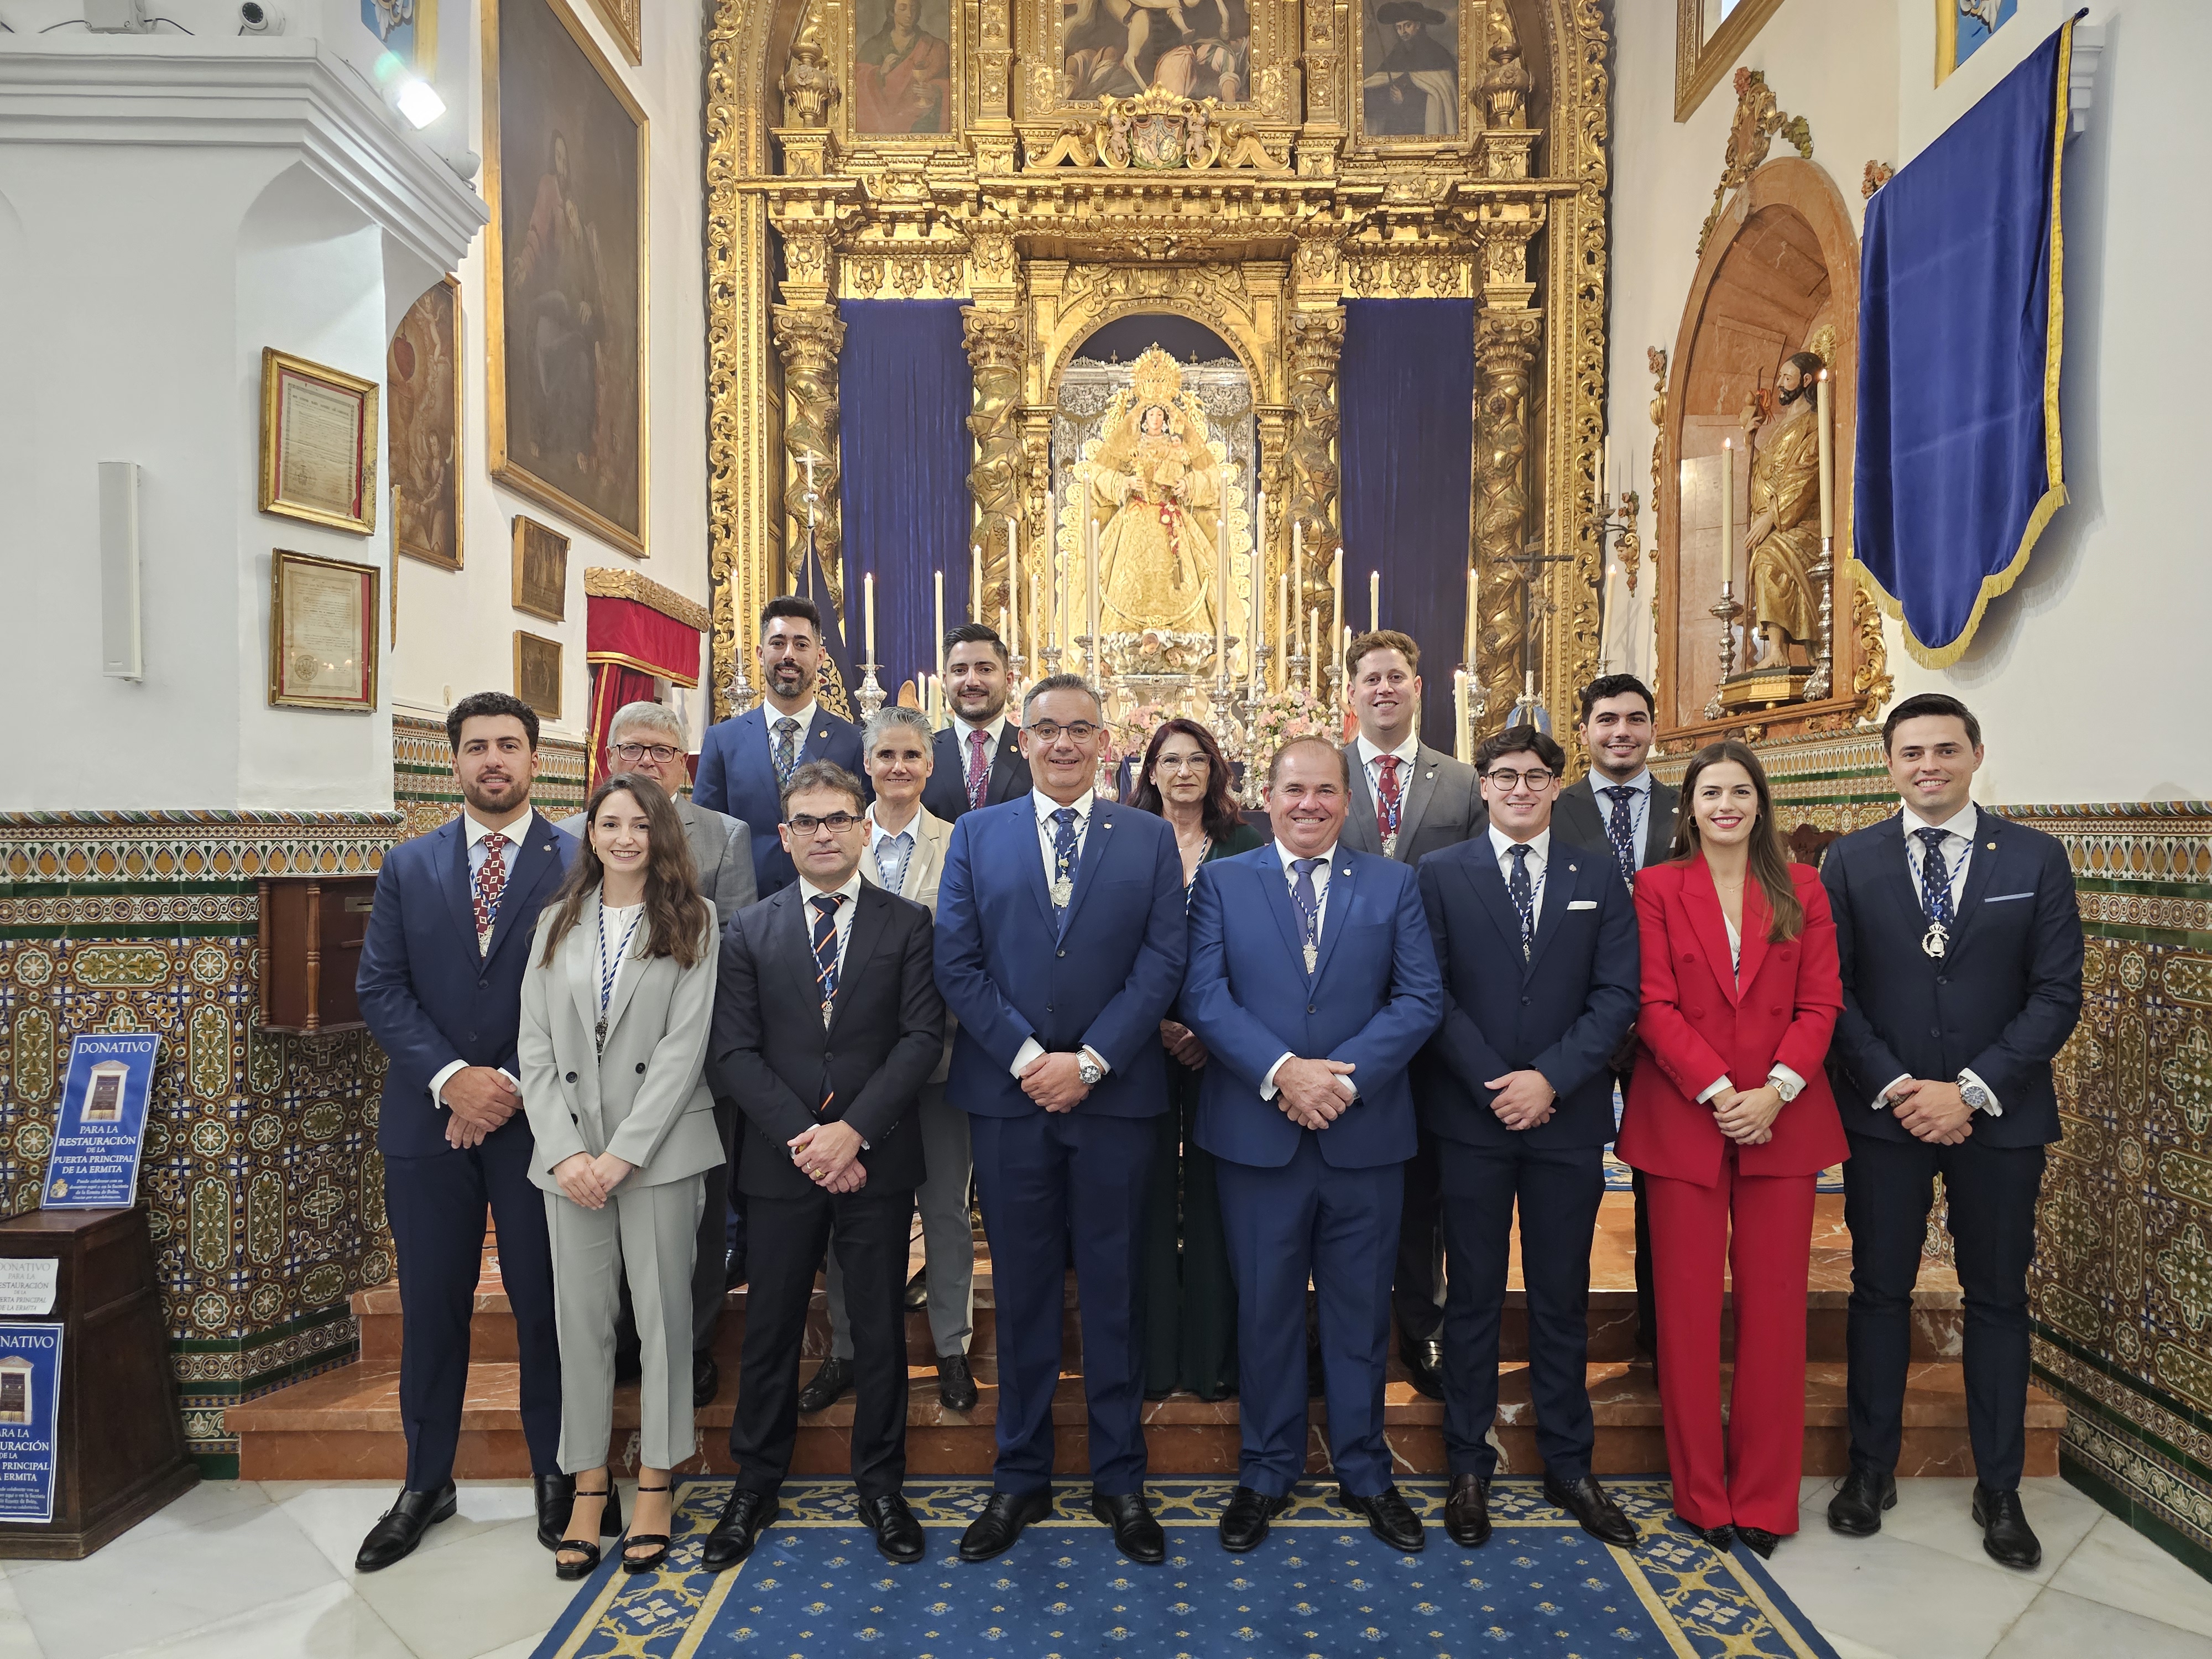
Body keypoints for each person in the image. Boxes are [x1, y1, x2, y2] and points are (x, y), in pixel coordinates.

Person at [1821, 693, 2083, 1569]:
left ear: (1976, 753)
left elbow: (2057, 995)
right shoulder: (1850, 862)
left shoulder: (2037, 858)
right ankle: (1870, 1470)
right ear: (1888, 763)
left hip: (1998, 1119)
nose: (1927, 765)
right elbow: (1836, 994)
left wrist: (1970, 1089)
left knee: (1999, 1297)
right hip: (1885, 1118)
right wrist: (1899, 1087)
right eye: (1910, 752)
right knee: (1879, 1291)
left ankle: (1999, 1488)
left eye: (1944, 749)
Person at [933, 674, 1188, 1564]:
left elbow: (1163, 962)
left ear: (1105, 741)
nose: (1066, 744)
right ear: (1023, 740)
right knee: (1028, 1292)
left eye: (1082, 730)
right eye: (1048, 730)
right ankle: (1020, 1480)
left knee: (1115, 1295)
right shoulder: (976, 834)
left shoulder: (1150, 838)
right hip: (1009, 1101)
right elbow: (957, 963)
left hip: (1115, 1099)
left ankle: (1122, 1481)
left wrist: (1087, 1061)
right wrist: (1027, 1060)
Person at [1182, 738, 1443, 1554]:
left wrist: (1341, 1081)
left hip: (1362, 1135)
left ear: (1347, 799)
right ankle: (1265, 1471)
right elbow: (1202, 993)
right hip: (1258, 1136)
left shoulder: (1395, 884)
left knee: (1361, 1316)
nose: (1309, 805)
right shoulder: (1223, 882)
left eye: (1325, 791)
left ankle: (1366, 1470)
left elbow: (1420, 997)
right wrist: (1283, 1073)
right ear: (1267, 795)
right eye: (1294, 790)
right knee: (1263, 1312)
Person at [353, 692, 576, 1571]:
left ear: (535, 762)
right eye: (478, 747)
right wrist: (454, 1080)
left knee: (543, 1306)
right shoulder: (409, 865)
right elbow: (381, 988)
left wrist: (509, 1087)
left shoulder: (576, 862)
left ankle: (557, 1475)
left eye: (510, 747)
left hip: (537, 1123)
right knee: (433, 1308)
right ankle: (425, 1481)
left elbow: (579, 992)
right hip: (427, 1122)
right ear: (453, 762)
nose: (494, 761)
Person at [704, 761, 946, 1569]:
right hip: (781, 1165)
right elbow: (733, 1051)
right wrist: (808, 1139)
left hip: (875, 1160)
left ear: (864, 825)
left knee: (877, 1329)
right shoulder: (749, 930)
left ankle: (881, 1485)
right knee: (771, 1330)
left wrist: (854, 1133)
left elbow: (919, 1042)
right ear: (784, 835)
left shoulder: (908, 925)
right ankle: (755, 1483)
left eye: (839, 818)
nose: (823, 833)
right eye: (806, 821)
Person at [1412, 724, 1640, 1549]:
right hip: (1472, 1120)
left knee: (1560, 1298)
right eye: (1503, 776)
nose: (1518, 789)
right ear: (1482, 785)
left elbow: (1617, 994)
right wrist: (1497, 1085)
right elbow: (1429, 992)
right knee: (1470, 1298)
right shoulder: (1439, 875)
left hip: (1565, 1117)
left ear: (1555, 785)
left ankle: (1569, 1465)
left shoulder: (1598, 873)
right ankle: (1468, 1466)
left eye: (1535, 777)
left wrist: (1551, 1079)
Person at [1616, 741, 1844, 1558]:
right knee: (1682, 1315)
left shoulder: (1803, 889)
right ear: (1689, 807)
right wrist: (1718, 1092)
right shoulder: (1656, 888)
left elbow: (1821, 1003)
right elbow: (1651, 1002)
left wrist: (1775, 1091)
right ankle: (1702, 1494)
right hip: (1687, 1117)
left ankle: (1765, 1497)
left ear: (1760, 804)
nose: (1725, 805)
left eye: (1739, 791)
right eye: (1710, 792)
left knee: (1776, 1313)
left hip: (1782, 1120)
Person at [519, 773, 723, 1579]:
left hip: (660, 1151)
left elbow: (683, 1051)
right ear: (591, 834)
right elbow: (533, 1047)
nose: (626, 838)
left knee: (666, 1322)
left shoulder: (695, 921)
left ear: (661, 833)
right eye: (611, 824)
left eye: (641, 824)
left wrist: (621, 1155)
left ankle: (656, 1481)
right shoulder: (553, 923)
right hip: (569, 1159)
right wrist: (569, 1153)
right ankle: (588, 1483)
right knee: (582, 1326)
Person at [558, 700, 757, 1405]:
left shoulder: (726, 837)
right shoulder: (570, 836)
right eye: (632, 748)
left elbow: (732, 955)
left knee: (694, 1223)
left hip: (690, 1066)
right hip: (590, 1077)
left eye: (661, 751)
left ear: (684, 763)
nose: (646, 761)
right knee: (599, 1217)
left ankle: (691, 1344)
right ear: (609, 755)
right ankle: (616, 1346)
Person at [804, 706, 980, 1416]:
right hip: (851, 1073)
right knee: (854, 1213)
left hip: (936, 1062)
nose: (899, 768)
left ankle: (951, 1348)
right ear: (865, 764)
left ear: (930, 766)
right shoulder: (837, 839)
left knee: (944, 1213)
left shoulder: (960, 841)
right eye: (885, 756)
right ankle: (846, 1349)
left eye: (912, 756)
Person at [1336, 629, 1484, 1400]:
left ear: (1418, 687)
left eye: (1398, 675)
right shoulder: (1323, 779)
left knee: (1427, 1186)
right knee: (1349, 1184)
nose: (1385, 689)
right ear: (1351, 693)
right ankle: (1341, 1330)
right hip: (1344, 1018)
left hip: (1437, 1015)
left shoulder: (1462, 784)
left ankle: (1423, 1329)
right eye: (1371, 678)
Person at [1128, 718, 1264, 1401]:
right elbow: (1105, 941)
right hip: (1136, 1047)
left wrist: (1211, 1030)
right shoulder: (1121, 838)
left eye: (1196, 760)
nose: (1183, 772)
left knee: (1217, 1198)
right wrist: (1146, 1022)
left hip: (1226, 1050)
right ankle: (1154, 1362)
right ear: (1148, 771)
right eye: (1169, 760)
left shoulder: (1247, 841)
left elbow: (1264, 948)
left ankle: (1213, 1359)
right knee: (1147, 1197)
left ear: (1215, 771)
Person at [1552, 673, 1680, 1368]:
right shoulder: (1550, 804)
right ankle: (1564, 1338)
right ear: (1585, 732)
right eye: (1606, 720)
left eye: (1635, 719)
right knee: (1572, 1188)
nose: (1621, 732)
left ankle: (1661, 1335)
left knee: (1663, 1186)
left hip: (1669, 1027)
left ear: (1652, 728)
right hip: (1580, 1027)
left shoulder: (1690, 807)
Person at [694, 596, 865, 895]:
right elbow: (705, 835)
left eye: (801, 645)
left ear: (820, 656)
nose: (789, 655)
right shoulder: (723, 740)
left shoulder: (853, 741)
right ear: (761, 654)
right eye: (778, 643)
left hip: (829, 902)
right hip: (743, 907)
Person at [921, 623, 1032, 823]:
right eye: (960, 670)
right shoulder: (923, 751)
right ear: (945, 681)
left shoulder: (1033, 751)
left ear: (1008, 681)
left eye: (985, 669)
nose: (972, 681)